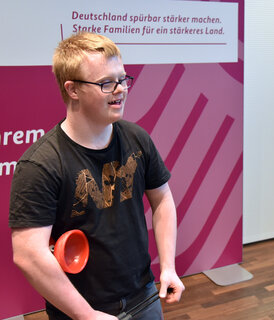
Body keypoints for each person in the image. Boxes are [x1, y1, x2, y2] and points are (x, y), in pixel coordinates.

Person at [9, 32, 185, 319]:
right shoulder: (40, 164)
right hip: (81, 309)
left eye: (123, 79)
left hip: (144, 297)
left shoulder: (137, 138)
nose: (120, 89)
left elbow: (162, 198)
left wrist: (168, 267)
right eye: (106, 83)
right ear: (73, 89)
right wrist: (85, 315)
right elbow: (28, 255)